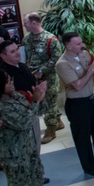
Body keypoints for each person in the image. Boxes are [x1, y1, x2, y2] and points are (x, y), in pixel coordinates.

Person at [56, 32, 94, 177]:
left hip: (91, 99)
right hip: (77, 103)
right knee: (82, 137)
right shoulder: (63, 64)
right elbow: (77, 85)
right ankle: (89, 166)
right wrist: (91, 69)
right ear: (68, 46)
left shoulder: (84, 54)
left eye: (81, 42)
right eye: (78, 44)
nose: (82, 45)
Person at [22, 12, 64, 144]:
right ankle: (57, 121)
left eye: (26, 22)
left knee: (49, 102)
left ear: (33, 23)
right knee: (44, 102)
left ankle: (50, 129)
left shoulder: (50, 39)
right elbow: (25, 57)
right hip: (33, 77)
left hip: (48, 77)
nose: (24, 25)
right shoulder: (26, 40)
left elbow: (57, 58)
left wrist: (41, 70)